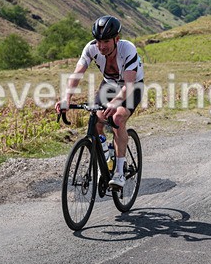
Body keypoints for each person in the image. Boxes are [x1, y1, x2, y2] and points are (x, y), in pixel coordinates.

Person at [55, 15, 144, 189]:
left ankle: (119, 173)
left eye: (106, 42)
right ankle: (106, 158)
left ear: (116, 39)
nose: (101, 46)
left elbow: (129, 86)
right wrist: (67, 99)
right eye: (98, 41)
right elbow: (77, 74)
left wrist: (115, 102)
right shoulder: (91, 49)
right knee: (95, 119)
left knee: (117, 119)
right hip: (110, 84)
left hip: (131, 86)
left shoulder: (128, 49)